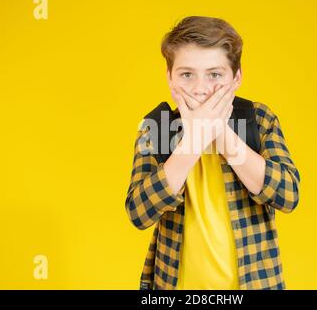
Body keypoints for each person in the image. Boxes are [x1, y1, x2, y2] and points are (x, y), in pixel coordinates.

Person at [125, 16, 300, 290]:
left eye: (215, 74)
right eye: (186, 74)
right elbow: (139, 213)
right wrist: (192, 143)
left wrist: (221, 134)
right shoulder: (156, 128)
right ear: (169, 77)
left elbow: (288, 196)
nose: (200, 88)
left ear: (237, 77)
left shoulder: (259, 119)